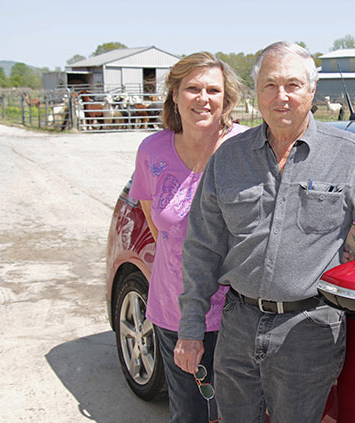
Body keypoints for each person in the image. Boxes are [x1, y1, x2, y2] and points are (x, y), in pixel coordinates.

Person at [175, 41, 355, 422]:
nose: (282, 97)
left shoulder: (348, 154)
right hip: (238, 327)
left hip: (307, 332)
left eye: (293, 85)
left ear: (312, 90)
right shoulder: (228, 158)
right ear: (257, 93)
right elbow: (202, 248)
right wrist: (191, 327)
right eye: (270, 85)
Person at [128, 52, 247, 423]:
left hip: (237, 312)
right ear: (175, 95)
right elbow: (157, 224)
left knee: (234, 412)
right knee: (189, 412)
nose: (203, 98)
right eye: (192, 88)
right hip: (173, 310)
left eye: (213, 89)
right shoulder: (153, 150)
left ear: (226, 99)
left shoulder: (245, 149)